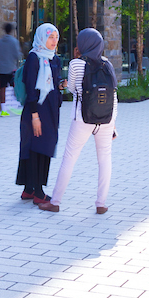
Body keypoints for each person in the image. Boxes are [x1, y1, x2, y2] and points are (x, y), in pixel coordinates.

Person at [41, 28, 116, 214]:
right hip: (106, 119)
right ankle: (101, 204)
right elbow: (113, 94)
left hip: (83, 118)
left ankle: (55, 201)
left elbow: (73, 89)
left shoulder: (76, 64)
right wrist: (113, 124)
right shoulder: (108, 64)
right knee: (105, 159)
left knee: (69, 158)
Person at [16, 23, 64, 205]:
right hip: (35, 112)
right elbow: (30, 87)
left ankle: (29, 189)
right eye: (50, 37)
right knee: (35, 148)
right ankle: (38, 191)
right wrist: (35, 116)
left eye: (56, 37)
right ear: (42, 38)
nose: (54, 41)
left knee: (45, 147)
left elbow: (53, 84)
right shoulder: (34, 58)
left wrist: (61, 85)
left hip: (51, 111)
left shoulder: (54, 59)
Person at [0, 23, 21, 107]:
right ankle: (14, 104)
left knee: (2, 87)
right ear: (11, 30)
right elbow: (17, 55)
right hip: (11, 67)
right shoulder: (14, 41)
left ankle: (3, 106)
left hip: (2, 68)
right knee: (14, 86)